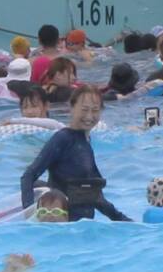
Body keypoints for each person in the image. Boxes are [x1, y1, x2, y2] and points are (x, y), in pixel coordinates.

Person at [18, 90, 130, 221]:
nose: (89, 116)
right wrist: (30, 214)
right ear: (71, 108)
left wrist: (124, 221)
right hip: (63, 228)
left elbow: (95, 197)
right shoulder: (63, 138)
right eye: (84, 109)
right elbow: (29, 176)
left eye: (95, 110)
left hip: (81, 228)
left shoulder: (85, 142)